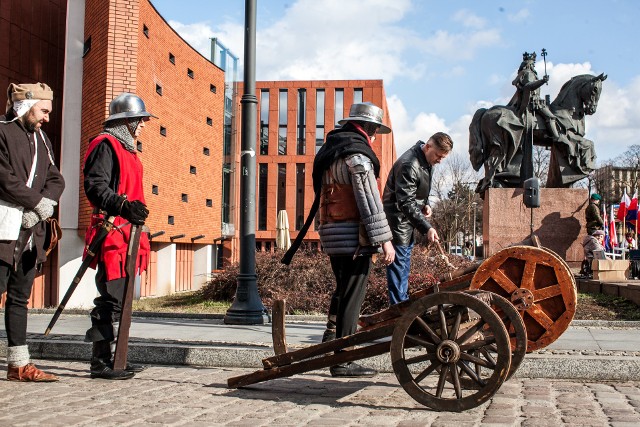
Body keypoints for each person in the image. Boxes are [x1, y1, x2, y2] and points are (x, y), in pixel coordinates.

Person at [315, 102, 395, 378]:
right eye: (374, 132)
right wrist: (385, 240)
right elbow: (369, 201)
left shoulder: (329, 151)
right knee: (353, 295)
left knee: (342, 289)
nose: (373, 138)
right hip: (352, 237)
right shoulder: (357, 155)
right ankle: (343, 359)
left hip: (331, 233)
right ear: (369, 129)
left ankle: (330, 338)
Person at [83, 93, 156, 380]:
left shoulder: (129, 151)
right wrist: (123, 206)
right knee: (111, 300)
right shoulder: (105, 145)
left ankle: (118, 358)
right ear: (126, 121)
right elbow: (95, 187)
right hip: (113, 233)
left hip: (129, 236)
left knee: (122, 300)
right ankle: (100, 361)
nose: (143, 126)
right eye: (140, 120)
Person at [0, 82, 65, 381]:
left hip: (31, 231)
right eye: (44, 111)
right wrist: (36, 202)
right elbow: (4, 179)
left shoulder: (42, 138)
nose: (47, 118)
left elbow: (56, 177)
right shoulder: (2, 130)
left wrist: (45, 206)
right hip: (3, 228)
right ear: (25, 105)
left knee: (19, 298)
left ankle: (18, 365)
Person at [382, 133, 453, 305]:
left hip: (406, 222)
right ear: (428, 146)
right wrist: (426, 227)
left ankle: (402, 311)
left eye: (443, 158)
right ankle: (400, 314)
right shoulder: (409, 164)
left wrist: (425, 203)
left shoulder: (425, 160)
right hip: (398, 222)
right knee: (399, 269)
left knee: (402, 269)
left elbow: (417, 191)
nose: (439, 161)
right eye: (438, 156)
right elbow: (405, 202)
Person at [508, 52, 560, 142]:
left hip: (534, 101)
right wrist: (542, 81)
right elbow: (529, 86)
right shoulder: (528, 73)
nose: (533, 66)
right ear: (529, 64)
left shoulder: (524, 73)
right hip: (534, 102)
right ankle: (556, 137)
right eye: (532, 64)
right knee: (551, 117)